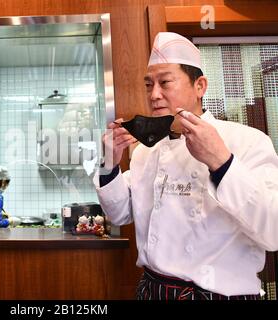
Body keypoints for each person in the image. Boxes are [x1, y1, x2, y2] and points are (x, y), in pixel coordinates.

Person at [94, 32, 278, 300]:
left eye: (165, 82)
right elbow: (120, 214)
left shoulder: (247, 141)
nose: (154, 95)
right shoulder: (148, 151)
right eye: (148, 85)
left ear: (200, 86)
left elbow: (272, 231)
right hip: (152, 291)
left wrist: (222, 163)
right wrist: (108, 165)